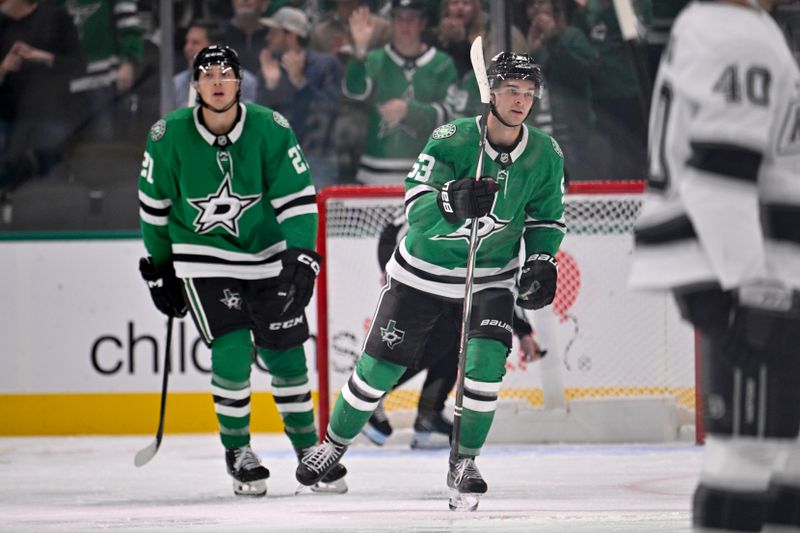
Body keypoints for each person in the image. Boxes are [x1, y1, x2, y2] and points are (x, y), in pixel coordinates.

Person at [296, 52, 566, 510]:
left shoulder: (545, 153)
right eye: (511, 90)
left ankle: (464, 460)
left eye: (528, 92)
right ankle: (334, 446)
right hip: (421, 273)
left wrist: (541, 258)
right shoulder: (453, 138)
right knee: (378, 369)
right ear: (491, 94)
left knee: (483, 371)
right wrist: (450, 200)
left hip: (489, 277)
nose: (521, 100)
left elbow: (547, 218)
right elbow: (416, 208)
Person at [136, 45, 346, 497]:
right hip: (203, 257)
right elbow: (153, 210)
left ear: (239, 82)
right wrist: (160, 268)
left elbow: (297, 199)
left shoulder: (270, 128)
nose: (216, 81)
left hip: (267, 255)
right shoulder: (167, 135)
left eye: (225, 74)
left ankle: (309, 451)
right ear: (194, 85)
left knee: (288, 357)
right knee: (230, 354)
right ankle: (238, 452)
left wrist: (301, 255)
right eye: (207, 74)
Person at [627, 0, 800, 530]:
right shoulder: (737, 34)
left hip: (761, 267)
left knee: (787, 447)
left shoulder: (721, 26)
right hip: (755, 274)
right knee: (751, 448)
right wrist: (750, 283)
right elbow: (720, 174)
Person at [362, 215, 545, 449]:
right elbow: (410, 224)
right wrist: (396, 266)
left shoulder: (511, 211)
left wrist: (524, 331)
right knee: (440, 335)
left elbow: (502, 278)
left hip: (445, 262)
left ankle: (427, 413)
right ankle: (373, 393)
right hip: (416, 255)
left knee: (456, 335)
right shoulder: (493, 193)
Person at [344, 0, 458, 185]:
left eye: (411, 18)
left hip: (426, 174)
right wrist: (359, 50)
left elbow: (451, 116)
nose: (405, 24)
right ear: (391, 22)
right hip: (375, 174)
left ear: (422, 23)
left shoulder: (442, 64)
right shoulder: (374, 59)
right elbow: (354, 91)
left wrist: (409, 111)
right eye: (399, 18)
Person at [0, 0, 83, 194]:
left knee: (51, 180)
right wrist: (4, 67)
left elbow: (78, 65)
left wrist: (42, 57)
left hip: (49, 113)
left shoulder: (56, 17)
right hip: (9, 119)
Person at [257, 7, 342, 187]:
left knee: (318, 214)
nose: (267, 37)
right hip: (278, 158)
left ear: (291, 36)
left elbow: (330, 108)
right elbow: (260, 119)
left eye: (274, 32)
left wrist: (301, 83)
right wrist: (271, 85)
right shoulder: (269, 67)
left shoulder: (325, 64)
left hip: (317, 159)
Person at [54, 0, 144, 141]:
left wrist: (128, 63)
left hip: (102, 82)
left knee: (102, 145)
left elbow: (129, 26)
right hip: (66, 83)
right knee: (71, 149)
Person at [526, 0, 596, 181]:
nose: (535, 8)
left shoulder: (572, 36)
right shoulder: (532, 41)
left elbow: (583, 72)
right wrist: (530, 54)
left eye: (541, 3)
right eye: (531, 5)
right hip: (541, 131)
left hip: (571, 132)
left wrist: (554, 40)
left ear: (555, 8)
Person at [173, 20, 258, 109]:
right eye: (187, 42)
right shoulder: (177, 83)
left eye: (195, 43)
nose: (187, 48)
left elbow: (252, 117)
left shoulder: (245, 82)